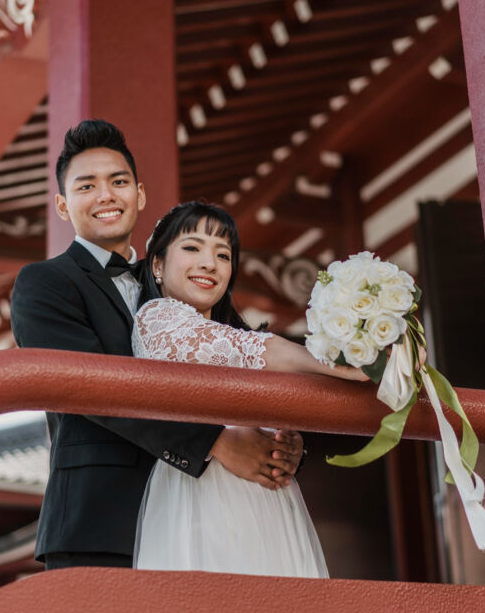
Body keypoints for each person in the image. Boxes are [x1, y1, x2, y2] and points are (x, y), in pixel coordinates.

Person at [9, 120, 303, 570]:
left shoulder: (177, 271)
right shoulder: (44, 283)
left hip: (200, 517)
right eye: (87, 186)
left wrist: (279, 439)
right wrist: (215, 442)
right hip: (101, 521)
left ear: (140, 195)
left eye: (118, 182)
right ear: (63, 206)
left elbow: (238, 349)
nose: (106, 195)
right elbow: (88, 389)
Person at [132, 201, 369, 577]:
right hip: (204, 493)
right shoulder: (156, 318)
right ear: (157, 265)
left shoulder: (238, 335)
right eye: (192, 248)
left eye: (222, 254)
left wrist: (288, 443)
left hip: (269, 498)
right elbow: (261, 351)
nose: (209, 263)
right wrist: (351, 361)